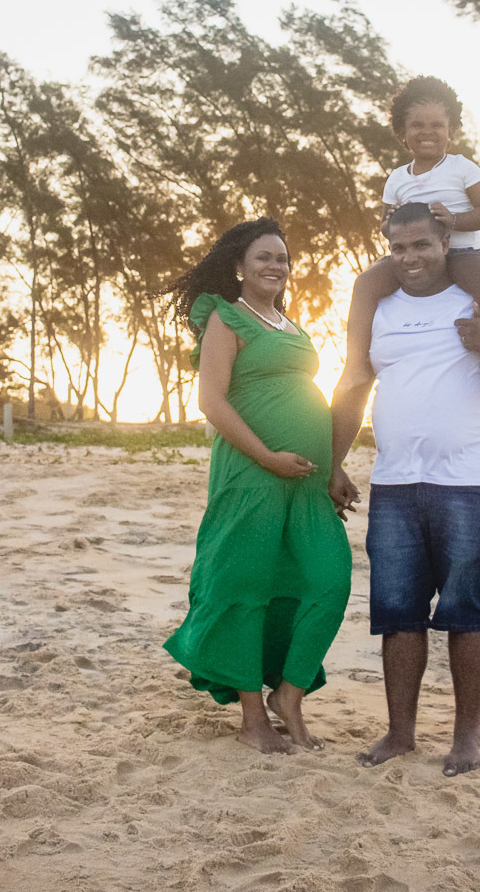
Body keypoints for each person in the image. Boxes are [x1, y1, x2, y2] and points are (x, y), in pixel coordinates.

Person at [329, 202, 480, 777]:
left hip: (468, 482)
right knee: (398, 612)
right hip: (396, 483)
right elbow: (354, 383)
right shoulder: (378, 307)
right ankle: (400, 734)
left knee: (465, 608)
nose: (410, 258)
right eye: (398, 248)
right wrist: (334, 461)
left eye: (421, 246)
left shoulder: (479, 296)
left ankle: (467, 737)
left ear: (446, 240)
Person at [163, 218, 352, 755]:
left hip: (308, 482)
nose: (276, 266)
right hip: (252, 475)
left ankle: (289, 694)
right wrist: (268, 456)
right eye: (264, 257)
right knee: (245, 586)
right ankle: (253, 718)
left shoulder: (289, 324)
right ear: (239, 267)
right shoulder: (227, 319)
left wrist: (334, 466)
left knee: (329, 578)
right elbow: (212, 402)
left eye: (283, 259)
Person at [346, 75, 480, 394]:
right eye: (417, 125)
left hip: (462, 254)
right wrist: (391, 222)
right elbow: (384, 226)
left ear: (452, 131)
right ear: (402, 133)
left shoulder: (463, 168)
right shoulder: (396, 179)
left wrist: (454, 220)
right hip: (413, 257)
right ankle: (356, 362)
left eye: (437, 125)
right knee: (365, 283)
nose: (427, 132)